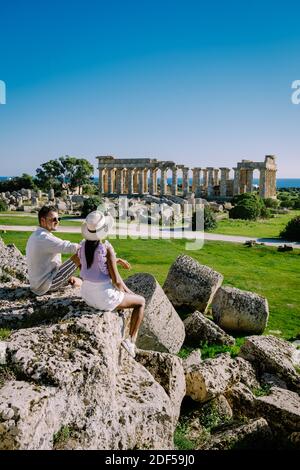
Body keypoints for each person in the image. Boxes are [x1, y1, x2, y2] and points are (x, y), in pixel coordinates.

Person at [79, 210, 145, 358]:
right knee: (141, 302)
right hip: (102, 298)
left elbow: (94, 265)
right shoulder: (106, 248)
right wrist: (128, 293)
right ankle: (131, 341)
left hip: (86, 295)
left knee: (128, 297)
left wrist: (116, 260)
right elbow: (116, 281)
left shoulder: (82, 247)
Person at [26, 205, 130, 296]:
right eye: (53, 219)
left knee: (79, 281)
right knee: (81, 253)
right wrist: (109, 257)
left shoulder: (38, 235)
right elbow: (74, 248)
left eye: (59, 219)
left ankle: (89, 279)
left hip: (39, 283)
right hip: (45, 284)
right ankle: (114, 286)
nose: (57, 222)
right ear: (43, 221)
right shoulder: (44, 238)